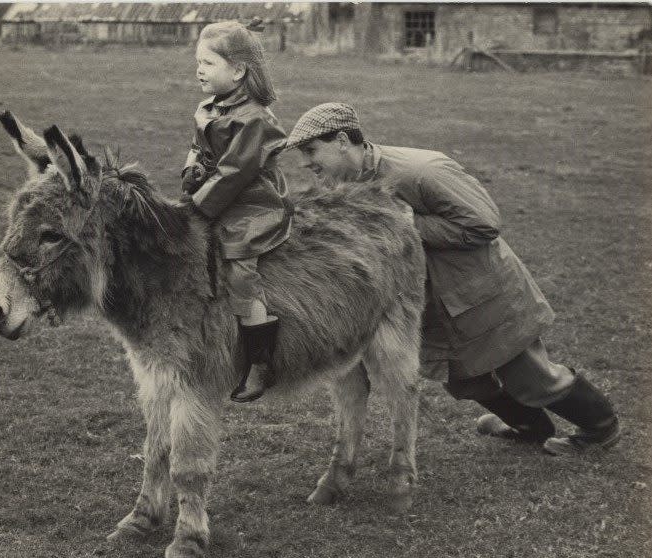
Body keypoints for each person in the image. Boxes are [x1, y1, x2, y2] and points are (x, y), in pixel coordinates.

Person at [283, 102, 620, 455]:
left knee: (532, 378)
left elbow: (484, 223)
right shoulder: (343, 186)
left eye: (310, 151)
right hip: (435, 305)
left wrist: (403, 224)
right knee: (465, 380)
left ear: (341, 140)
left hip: (482, 295)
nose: (306, 163)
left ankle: (600, 428)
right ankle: (529, 426)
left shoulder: (420, 170)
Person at [181, 20, 292, 403]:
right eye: (198, 61)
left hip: (250, 205)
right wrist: (191, 170)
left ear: (238, 70)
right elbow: (198, 149)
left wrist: (198, 206)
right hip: (216, 196)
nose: (198, 70)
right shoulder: (208, 107)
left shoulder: (254, 120)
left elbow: (234, 173)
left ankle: (261, 361)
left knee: (241, 269)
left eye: (208, 63)